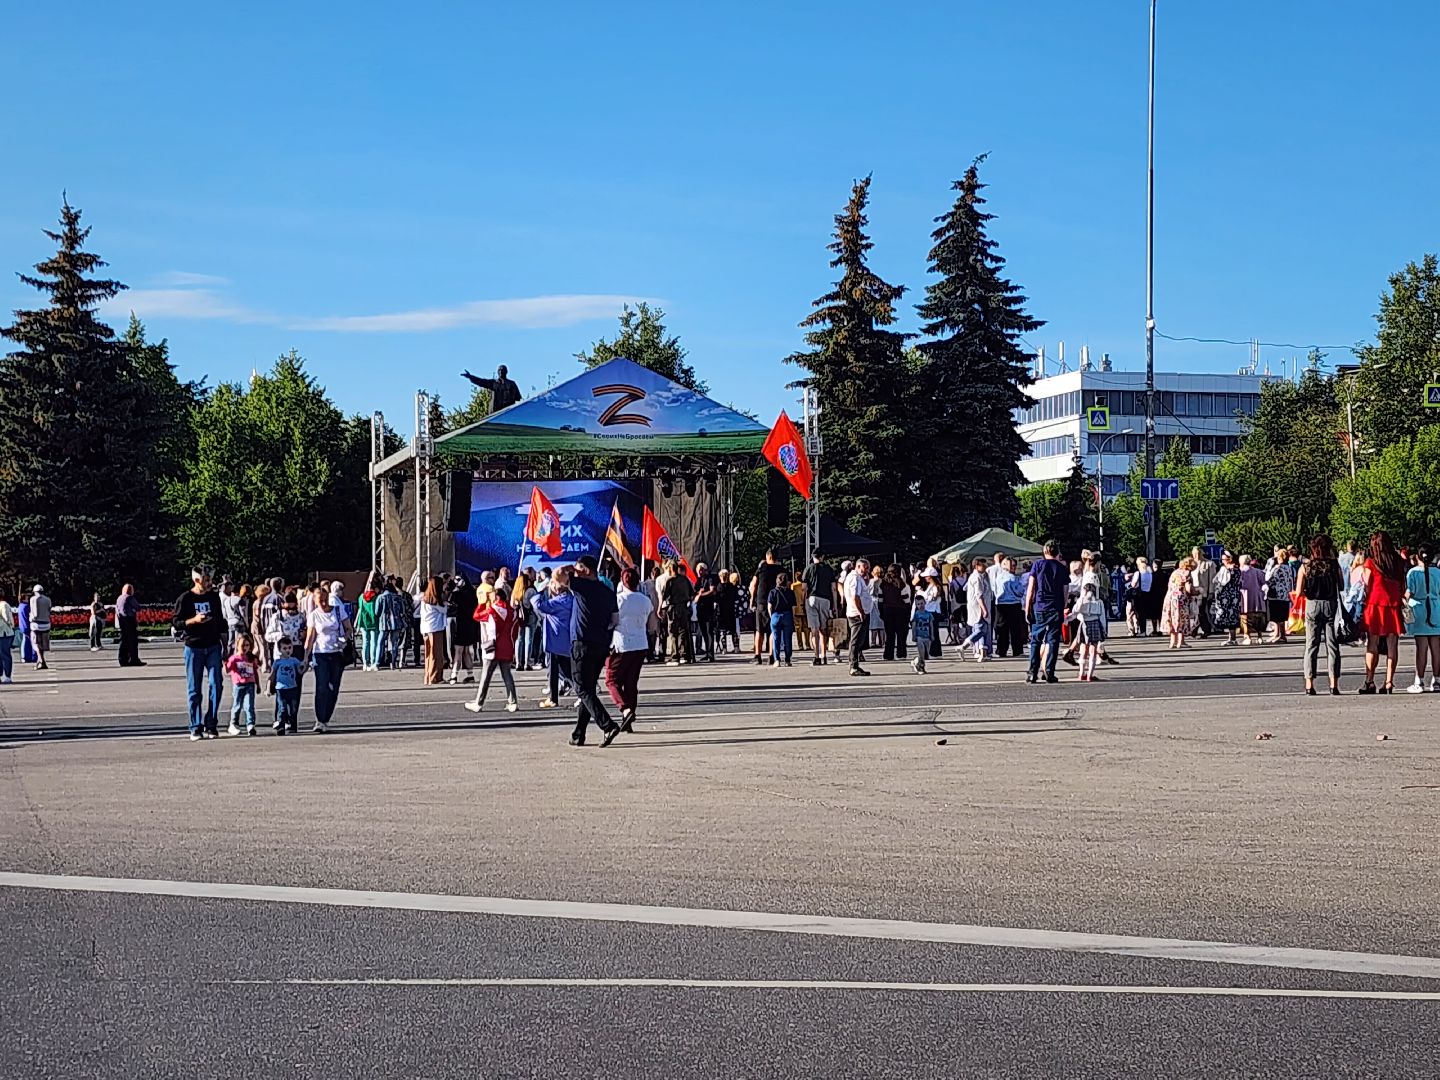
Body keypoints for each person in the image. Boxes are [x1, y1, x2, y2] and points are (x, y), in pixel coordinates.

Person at [568, 555, 623, 747]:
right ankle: (578, 734)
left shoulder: (583, 586)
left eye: (579, 568)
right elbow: (615, 620)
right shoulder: (607, 591)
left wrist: (570, 569)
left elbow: (558, 575)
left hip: (583, 642)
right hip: (601, 644)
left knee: (581, 687)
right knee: (588, 689)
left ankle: (607, 725)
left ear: (587, 570)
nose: (576, 571)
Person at [173, 568, 225, 740]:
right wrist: (194, 620)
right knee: (194, 689)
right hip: (194, 647)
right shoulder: (185, 598)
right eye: (206, 579)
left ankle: (211, 723)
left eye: (210, 578)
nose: (210, 582)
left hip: (213, 646)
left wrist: (226, 644)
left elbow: (220, 621)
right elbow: (177, 623)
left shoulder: (213, 597)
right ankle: (195, 726)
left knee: (216, 684)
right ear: (197, 580)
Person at [1295, 534, 1343, 696]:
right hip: (1330, 604)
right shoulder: (1334, 565)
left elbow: (1299, 591)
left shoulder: (1306, 567)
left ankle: (1309, 684)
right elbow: (1341, 586)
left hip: (1312, 604)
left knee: (1311, 645)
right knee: (1332, 646)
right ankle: (1333, 684)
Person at [1360, 530, 1406, 694]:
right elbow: (1403, 585)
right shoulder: (1398, 562)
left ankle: (1369, 680)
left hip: (1374, 604)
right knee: (1392, 644)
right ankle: (1389, 682)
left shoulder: (1371, 562)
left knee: (1372, 643)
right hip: (1393, 604)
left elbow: (1365, 585)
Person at [607, 568, 652, 731]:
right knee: (631, 683)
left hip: (622, 643)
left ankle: (625, 708)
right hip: (640, 643)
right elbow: (648, 618)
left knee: (611, 680)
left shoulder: (619, 600)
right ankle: (629, 720)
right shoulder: (645, 600)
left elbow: (613, 621)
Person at [305, 583, 350, 733]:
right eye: (320, 601)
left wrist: (345, 637)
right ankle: (320, 719)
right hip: (320, 653)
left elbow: (349, 628)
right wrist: (306, 657)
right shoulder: (314, 615)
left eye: (325, 600)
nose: (323, 603)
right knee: (322, 686)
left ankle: (326, 717)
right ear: (315, 601)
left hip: (337, 652)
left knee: (334, 687)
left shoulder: (338, 611)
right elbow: (310, 637)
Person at [465, 589, 520, 713]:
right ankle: (513, 702)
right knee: (507, 675)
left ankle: (479, 703)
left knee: (486, 676)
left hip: (493, 647)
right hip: (507, 647)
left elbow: (476, 615)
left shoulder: (492, 611)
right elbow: (515, 631)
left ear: (496, 598)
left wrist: (482, 603)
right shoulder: (512, 612)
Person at [1024, 541, 1069, 685]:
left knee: (1036, 640)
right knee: (1053, 641)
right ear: (1057, 552)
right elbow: (1065, 591)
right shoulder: (1062, 568)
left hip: (1040, 606)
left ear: (1045, 551)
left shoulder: (1038, 565)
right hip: (1055, 607)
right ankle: (1049, 672)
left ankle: (1032, 673)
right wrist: (1064, 605)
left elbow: (1031, 587)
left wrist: (1027, 606)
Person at [534, 567, 575, 708]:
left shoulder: (557, 602)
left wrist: (540, 590)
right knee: (566, 670)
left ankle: (553, 698)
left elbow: (537, 604)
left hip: (554, 640)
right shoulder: (571, 599)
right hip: (566, 639)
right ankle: (582, 692)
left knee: (553, 671)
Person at [1404, 544, 1440, 693]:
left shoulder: (1412, 573)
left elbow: (1408, 594)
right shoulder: (1437, 572)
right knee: (1436, 648)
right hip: (1435, 609)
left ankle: (1419, 680)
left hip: (1419, 609)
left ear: (1417, 557)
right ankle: (1437, 680)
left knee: (1421, 648)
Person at [800, 552, 837, 666]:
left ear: (813, 557)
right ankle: (824, 655)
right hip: (825, 599)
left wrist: (803, 602)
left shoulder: (808, 569)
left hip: (812, 598)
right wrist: (835, 605)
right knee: (823, 628)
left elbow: (804, 588)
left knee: (814, 629)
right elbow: (834, 589)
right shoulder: (829, 569)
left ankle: (816, 656)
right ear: (822, 557)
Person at [749, 550, 784, 665]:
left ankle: (757, 656)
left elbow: (753, 585)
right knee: (772, 630)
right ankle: (771, 656)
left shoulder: (761, 570)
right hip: (776, 602)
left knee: (759, 630)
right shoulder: (781, 570)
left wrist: (751, 600)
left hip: (762, 601)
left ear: (767, 557)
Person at [660, 560, 695, 665]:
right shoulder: (685, 579)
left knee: (673, 632)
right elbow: (692, 594)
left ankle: (675, 656)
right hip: (684, 608)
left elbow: (664, 596)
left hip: (673, 608)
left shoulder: (670, 581)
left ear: (670, 569)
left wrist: (660, 608)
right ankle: (683, 655)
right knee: (683, 631)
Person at [1070, 582, 1107, 682]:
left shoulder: (1082, 601)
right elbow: (1102, 617)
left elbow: (1075, 612)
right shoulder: (1099, 602)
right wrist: (1104, 630)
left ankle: (1081, 673)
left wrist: (1067, 619)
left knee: (1083, 650)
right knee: (1092, 651)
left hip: (1084, 624)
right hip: (1094, 623)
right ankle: (1089, 675)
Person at [843, 558, 874, 676]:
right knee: (855, 640)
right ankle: (853, 666)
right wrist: (861, 611)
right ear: (858, 566)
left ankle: (855, 664)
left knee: (859, 640)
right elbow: (855, 596)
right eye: (864, 568)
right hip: (857, 613)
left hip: (858, 612)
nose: (866, 570)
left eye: (868, 568)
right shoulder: (854, 578)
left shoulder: (857, 578)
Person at [225, 633, 260, 736]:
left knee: (249, 705)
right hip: (239, 685)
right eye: (243, 645)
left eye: (247, 645)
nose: (245, 648)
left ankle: (250, 724)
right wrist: (224, 662)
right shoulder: (234, 658)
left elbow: (255, 671)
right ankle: (233, 724)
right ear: (237, 645)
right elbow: (227, 670)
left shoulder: (251, 658)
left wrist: (258, 685)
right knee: (237, 705)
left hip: (250, 684)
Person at [1161, 557, 1199, 649]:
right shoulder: (1187, 573)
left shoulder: (1175, 572)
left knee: (1172, 619)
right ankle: (1181, 642)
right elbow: (1189, 588)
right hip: (1180, 599)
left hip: (1170, 597)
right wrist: (1196, 592)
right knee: (1181, 619)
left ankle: (1172, 642)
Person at [992, 556, 1026, 658]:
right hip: (1013, 604)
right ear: (1005, 565)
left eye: (1015, 565)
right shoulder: (1013, 578)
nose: (1014, 567)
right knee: (1015, 629)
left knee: (1002, 628)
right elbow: (1020, 591)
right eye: (1012, 565)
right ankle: (1017, 650)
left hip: (1000, 604)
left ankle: (1001, 650)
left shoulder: (997, 577)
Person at [960, 558, 994, 662]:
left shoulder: (984, 576)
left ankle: (983, 653)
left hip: (985, 605)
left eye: (985, 565)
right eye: (982, 565)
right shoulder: (976, 577)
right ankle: (964, 646)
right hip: (978, 608)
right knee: (981, 629)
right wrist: (984, 609)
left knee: (984, 630)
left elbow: (965, 588)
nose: (985, 567)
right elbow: (978, 595)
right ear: (976, 566)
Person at [447, 575, 478, 684]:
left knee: (459, 651)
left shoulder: (458, 594)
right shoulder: (472, 592)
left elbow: (450, 604)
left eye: (458, 580)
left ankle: (454, 675)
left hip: (460, 624)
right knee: (466, 651)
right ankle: (470, 674)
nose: (457, 582)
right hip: (469, 624)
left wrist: (453, 591)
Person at [270, 636, 305, 734]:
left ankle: (292, 725)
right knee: (282, 707)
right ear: (280, 650)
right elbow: (272, 674)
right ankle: (281, 725)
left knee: (293, 708)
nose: (287, 650)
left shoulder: (294, 660)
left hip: (292, 687)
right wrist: (269, 686)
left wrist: (304, 666)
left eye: (289, 648)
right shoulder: (277, 662)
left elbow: (300, 671)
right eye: (284, 648)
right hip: (281, 688)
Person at [419, 576, 449, 685]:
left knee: (428, 654)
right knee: (437, 654)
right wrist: (446, 603)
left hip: (425, 628)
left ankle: (428, 677)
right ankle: (435, 677)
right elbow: (444, 610)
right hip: (435, 629)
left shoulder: (425, 598)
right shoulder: (434, 601)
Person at [1264, 545, 1295, 645]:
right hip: (1285, 595)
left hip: (1276, 594)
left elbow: (1268, 579)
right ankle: (1279, 634)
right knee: (1282, 616)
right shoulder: (1289, 568)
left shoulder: (1278, 568)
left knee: (1277, 616)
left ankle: (1281, 635)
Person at [878, 564, 909, 662]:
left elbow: (880, 599)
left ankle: (888, 654)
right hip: (901, 610)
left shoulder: (883, 583)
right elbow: (906, 600)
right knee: (901, 634)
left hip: (887, 610)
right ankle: (901, 653)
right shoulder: (901, 583)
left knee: (889, 634)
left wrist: (881, 611)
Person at [1211, 552, 1242, 644]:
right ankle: (1232, 638)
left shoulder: (1228, 570)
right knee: (1232, 615)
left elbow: (1221, 582)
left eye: (1224, 559)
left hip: (1227, 596)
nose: (1222, 561)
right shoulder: (1236, 569)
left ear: (1230, 559)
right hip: (1234, 595)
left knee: (1229, 615)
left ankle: (1232, 638)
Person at [910, 573, 938, 674]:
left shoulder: (928, 614)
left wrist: (932, 635)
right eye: (918, 604)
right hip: (919, 636)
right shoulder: (917, 614)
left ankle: (917, 662)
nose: (920, 605)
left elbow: (931, 625)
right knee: (921, 651)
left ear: (925, 603)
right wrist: (914, 635)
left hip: (927, 635)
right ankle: (920, 667)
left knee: (926, 654)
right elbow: (914, 625)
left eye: (922, 603)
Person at [767, 569, 795, 667]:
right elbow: (793, 607)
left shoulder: (772, 592)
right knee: (788, 639)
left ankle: (777, 660)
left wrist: (772, 616)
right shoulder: (790, 592)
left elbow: (769, 606)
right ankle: (787, 660)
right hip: (787, 615)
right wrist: (793, 617)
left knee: (776, 638)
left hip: (776, 615)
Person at [1237, 555, 1267, 645]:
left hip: (1244, 596)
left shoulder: (1240, 572)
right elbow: (1264, 583)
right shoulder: (1258, 571)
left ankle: (1247, 636)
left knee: (1244, 617)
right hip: (1256, 596)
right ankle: (1259, 636)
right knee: (1257, 617)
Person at [692, 563, 719, 661]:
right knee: (703, 631)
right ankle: (707, 652)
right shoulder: (698, 581)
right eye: (697, 570)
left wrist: (701, 595)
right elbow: (694, 592)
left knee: (709, 631)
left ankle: (711, 654)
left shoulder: (710, 579)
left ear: (704, 570)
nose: (698, 572)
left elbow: (712, 591)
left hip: (708, 609)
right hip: (700, 608)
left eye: (700, 570)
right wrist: (697, 594)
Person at [356, 576, 383, 671]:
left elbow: (360, 609)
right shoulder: (376, 598)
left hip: (363, 622)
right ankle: (373, 662)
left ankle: (365, 663)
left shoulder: (361, 597)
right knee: (374, 642)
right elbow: (377, 611)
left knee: (365, 643)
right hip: (374, 622)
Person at [1190, 547, 1217, 637]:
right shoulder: (1191, 564)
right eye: (1194, 554)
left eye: (1198, 553)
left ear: (1201, 554)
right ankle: (1206, 629)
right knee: (1197, 611)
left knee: (1200, 610)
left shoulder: (1209, 564)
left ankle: (1194, 629)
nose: (1196, 556)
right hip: (1193, 592)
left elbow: (1212, 579)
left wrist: (1211, 592)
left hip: (1204, 592)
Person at [1127, 558, 1155, 637]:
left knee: (1138, 613)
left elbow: (1133, 584)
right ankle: (1144, 630)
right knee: (1144, 613)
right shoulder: (1149, 573)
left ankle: (1140, 630)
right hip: (1147, 593)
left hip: (1139, 595)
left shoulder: (1138, 573)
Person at [28, 584, 53, 670]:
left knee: (35, 643)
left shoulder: (33, 599)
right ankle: (40, 661)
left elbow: (34, 613)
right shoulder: (48, 599)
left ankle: (41, 661)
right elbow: (49, 610)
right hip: (46, 624)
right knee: (43, 643)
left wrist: (30, 617)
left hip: (36, 624)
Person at [0, 585, 15, 685]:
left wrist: (10, 625)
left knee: (5, 655)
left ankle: (7, 676)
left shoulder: (3, 604)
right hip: (2, 633)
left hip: (4, 633)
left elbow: (7, 619)